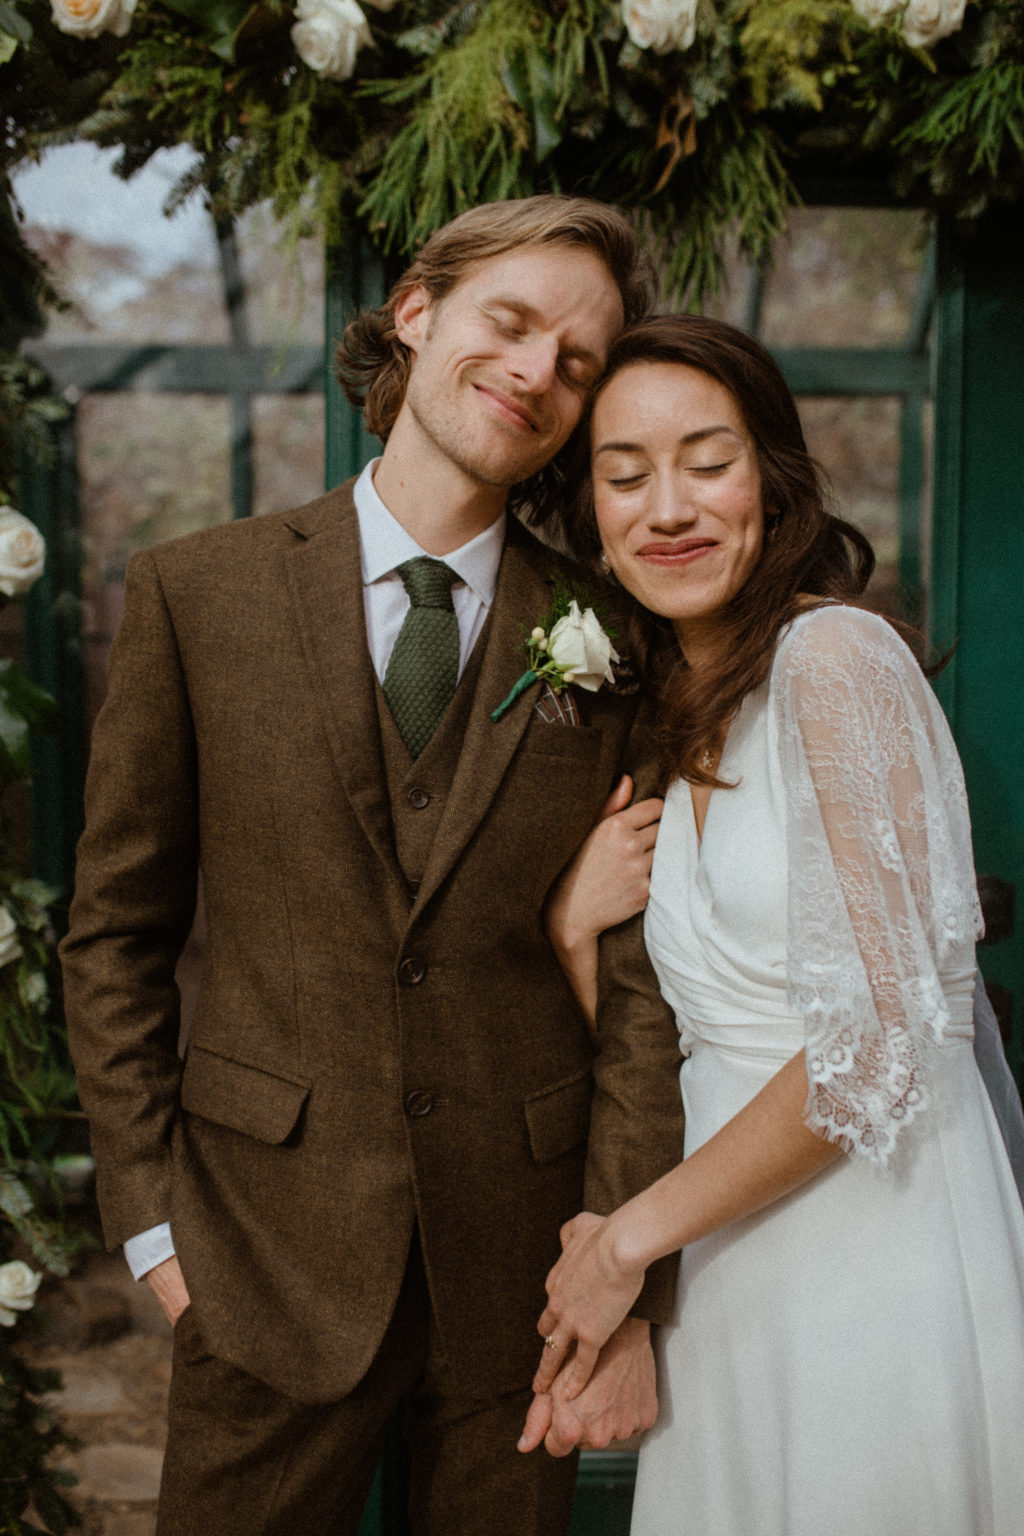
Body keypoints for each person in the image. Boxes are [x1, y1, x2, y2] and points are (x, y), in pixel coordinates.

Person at [58, 197, 687, 1536]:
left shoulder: (611, 632)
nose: (537, 372)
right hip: (254, 1253)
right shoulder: (196, 592)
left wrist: (623, 1263)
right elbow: (113, 935)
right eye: (510, 324)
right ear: (417, 312)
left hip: (523, 1278)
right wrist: (156, 1228)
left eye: (576, 364)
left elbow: (644, 989)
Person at [528, 315, 1024, 1533]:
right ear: (589, 511)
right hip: (727, 1264)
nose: (668, 508)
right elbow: (696, 1039)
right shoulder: (667, 712)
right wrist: (570, 933)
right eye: (625, 474)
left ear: (773, 478)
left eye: (708, 460)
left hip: (870, 1255)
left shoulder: (833, 661)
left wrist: (621, 1247)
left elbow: (881, 1047)